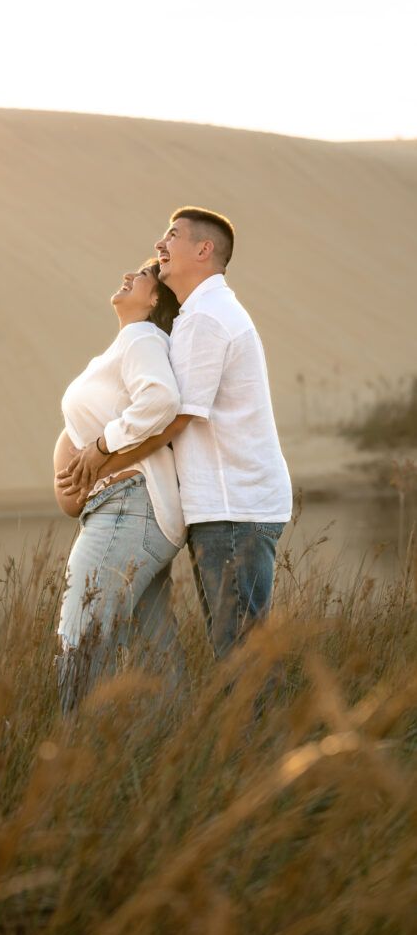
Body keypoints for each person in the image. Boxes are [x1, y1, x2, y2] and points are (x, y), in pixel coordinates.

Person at [62, 207, 292, 667]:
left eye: (172, 235)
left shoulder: (206, 318)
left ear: (203, 250)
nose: (159, 244)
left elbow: (173, 417)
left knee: (240, 654)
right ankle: (254, 736)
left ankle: (259, 738)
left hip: (234, 508)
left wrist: (101, 455)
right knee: (235, 649)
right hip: (226, 507)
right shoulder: (197, 316)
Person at [53, 262, 186, 714]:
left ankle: (73, 751)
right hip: (130, 512)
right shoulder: (131, 343)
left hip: (128, 510)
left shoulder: (142, 338)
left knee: (80, 635)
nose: (132, 272)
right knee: (155, 652)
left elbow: (162, 399)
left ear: (155, 301)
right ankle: (176, 748)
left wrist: (100, 445)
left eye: (147, 273)